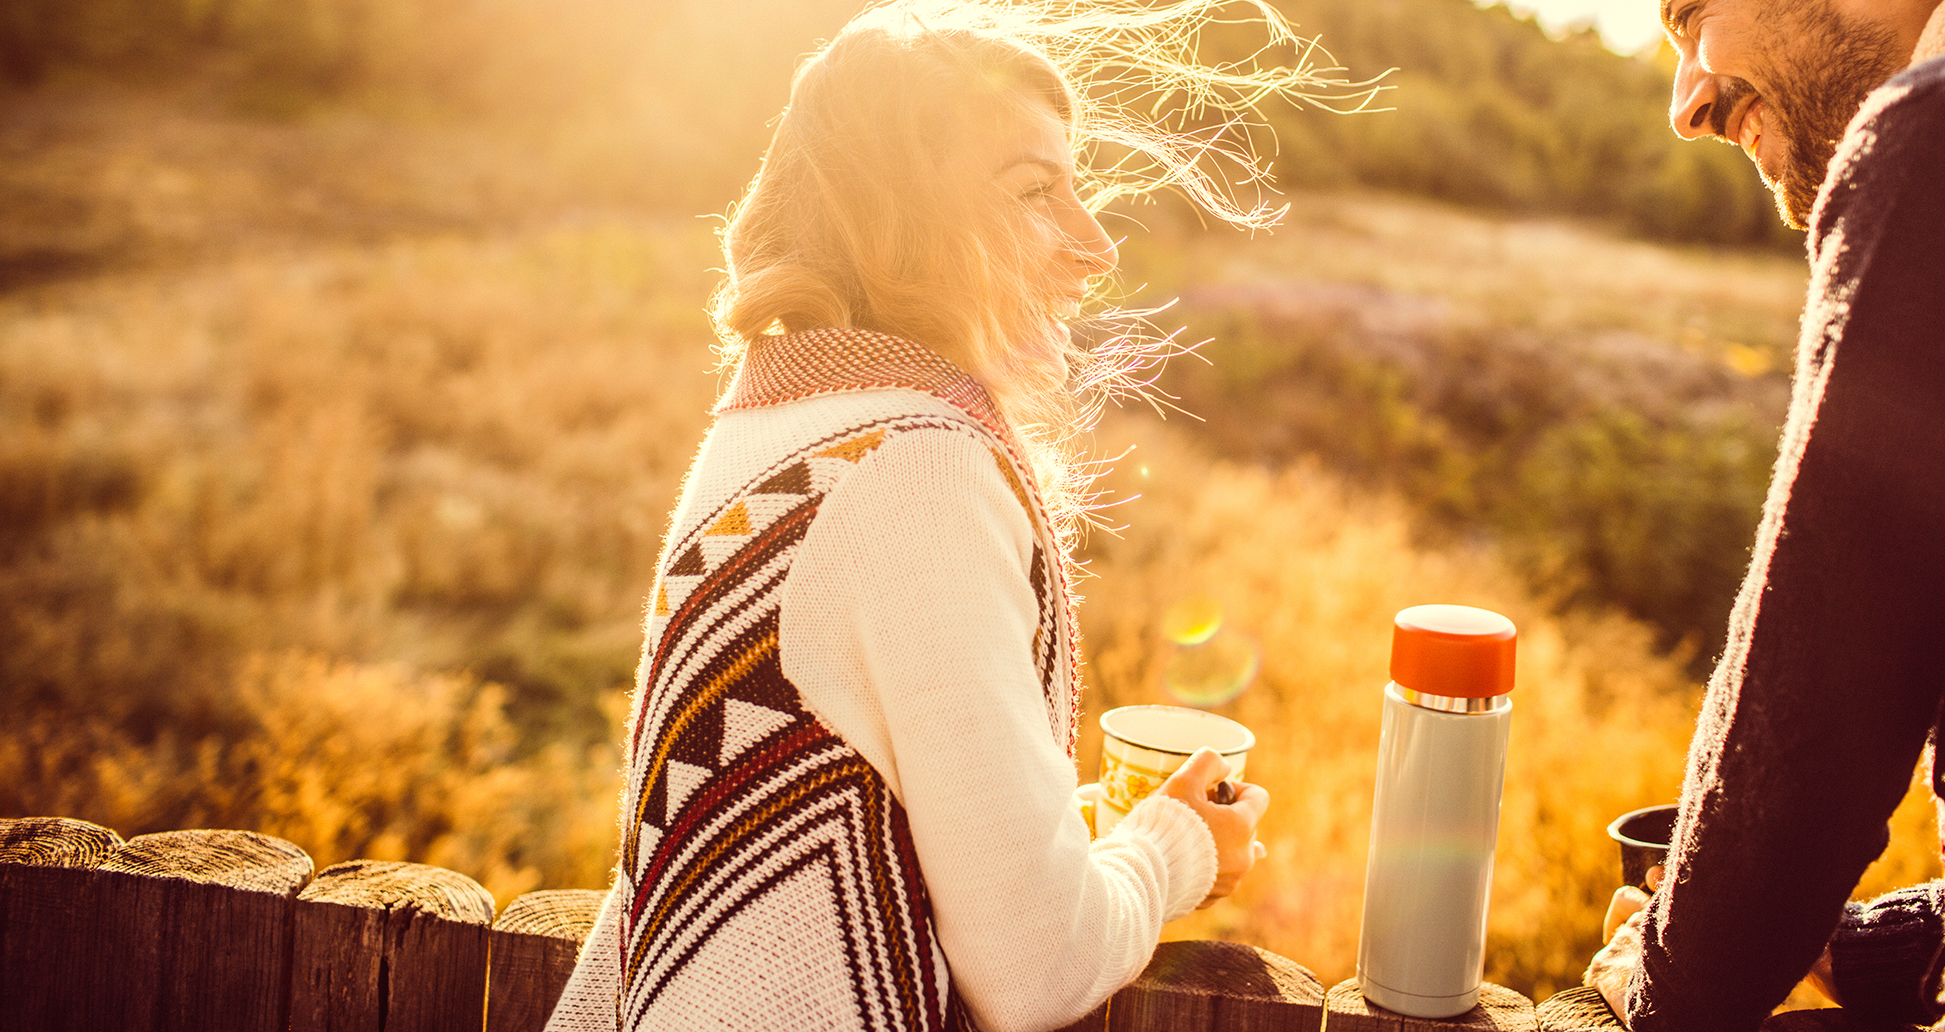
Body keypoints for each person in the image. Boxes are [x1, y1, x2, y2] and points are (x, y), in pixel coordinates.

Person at [539, 3, 1361, 1030]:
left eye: (1081, 190)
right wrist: (1174, 846)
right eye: (1033, 191)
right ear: (895, 215)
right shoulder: (914, 472)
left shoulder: (775, 424)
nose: (1095, 246)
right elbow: (1034, 966)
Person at [1584, 0, 1945, 1025]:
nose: (1687, 103)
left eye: (1689, 15)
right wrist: (1873, 952)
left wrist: (1665, 985)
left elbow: (1808, 711)